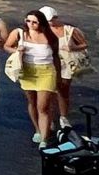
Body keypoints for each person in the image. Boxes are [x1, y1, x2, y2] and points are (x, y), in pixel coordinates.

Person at [4, 10, 61, 145]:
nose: (31, 24)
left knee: (43, 106)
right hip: (27, 71)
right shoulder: (20, 33)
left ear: (41, 23)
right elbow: (6, 46)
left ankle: (44, 139)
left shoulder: (50, 37)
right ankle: (38, 130)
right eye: (28, 21)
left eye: (34, 22)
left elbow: (56, 57)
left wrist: (58, 76)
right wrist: (17, 50)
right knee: (32, 102)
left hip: (46, 72)